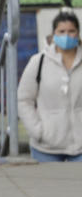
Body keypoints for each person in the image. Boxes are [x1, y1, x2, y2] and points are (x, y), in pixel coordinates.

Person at [17, 10, 82, 162]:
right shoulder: (38, 62)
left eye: (71, 31)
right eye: (62, 31)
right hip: (46, 147)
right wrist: (37, 131)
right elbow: (23, 99)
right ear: (53, 34)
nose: (67, 35)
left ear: (78, 33)